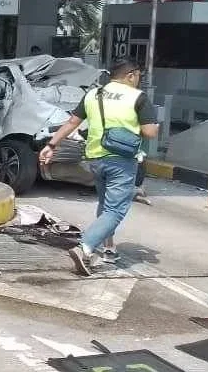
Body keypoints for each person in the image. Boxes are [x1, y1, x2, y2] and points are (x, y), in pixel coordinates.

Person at [39, 59, 159, 276]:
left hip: (95, 159)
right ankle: (85, 246)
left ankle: (109, 249)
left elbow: (72, 123)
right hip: (121, 160)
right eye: (138, 76)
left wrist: (51, 145)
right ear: (130, 75)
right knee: (116, 210)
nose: (139, 80)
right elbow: (150, 132)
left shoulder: (93, 95)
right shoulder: (137, 97)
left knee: (105, 205)